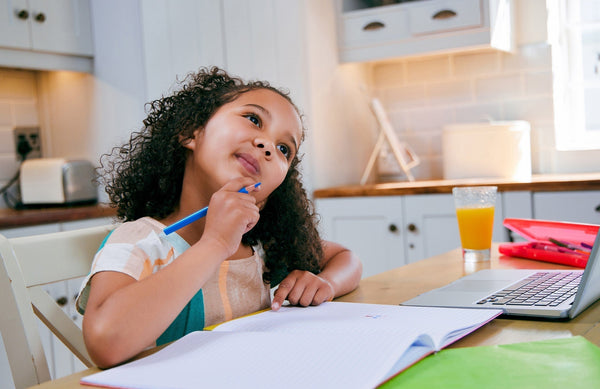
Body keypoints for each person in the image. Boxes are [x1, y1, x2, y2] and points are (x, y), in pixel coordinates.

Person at [77, 66, 362, 368]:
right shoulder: (144, 242)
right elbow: (105, 342)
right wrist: (214, 244)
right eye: (253, 119)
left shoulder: (261, 247)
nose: (267, 146)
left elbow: (346, 258)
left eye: (283, 149)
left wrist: (325, 283)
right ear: (190, 131)